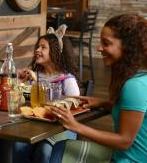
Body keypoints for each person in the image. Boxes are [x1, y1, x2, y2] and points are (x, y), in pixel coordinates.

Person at [50, 14, 147, 162]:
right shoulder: (140, 77)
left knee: (61, 150)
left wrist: (75, 126)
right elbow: (136, 111)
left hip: (128, 160)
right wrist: (104, 103)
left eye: (106, 43)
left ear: (128, 47)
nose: (99, 48)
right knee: (61, 148)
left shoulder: (134, 86)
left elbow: (125, 141)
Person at [14, 25, 80, 163]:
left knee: (44, 151)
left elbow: (76, 107)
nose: (37, 50)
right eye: (37, 47)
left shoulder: (67, 80)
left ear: (56, 52)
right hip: (34, 126)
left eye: (43, 47)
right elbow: (18, 101)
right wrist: (19, 83)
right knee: (18, 145)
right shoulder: (33, 77)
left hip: (60, 128)